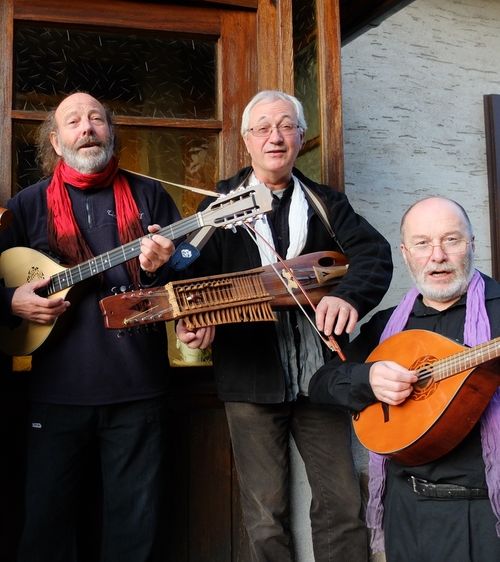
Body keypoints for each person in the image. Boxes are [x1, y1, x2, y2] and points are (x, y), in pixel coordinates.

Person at [176, 90, 393, 561]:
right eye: (263, 128)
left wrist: (346, 295)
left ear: (299, 137)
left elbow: (374, 256)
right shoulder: (216, 207)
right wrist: (191, 323)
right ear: (247, 141)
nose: (275, 137)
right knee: (265, 512)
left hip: (321, 379)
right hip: (249, 377)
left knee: (342, 503)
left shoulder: (326, 202)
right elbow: (187, 278)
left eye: (286, 126)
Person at [0, 92, 181, 562]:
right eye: (73, 121)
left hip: (139, 389)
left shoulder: (149, 195)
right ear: (56, 142)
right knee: (46, 528)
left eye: (96, 118)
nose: (87, 127)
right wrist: (10, 300)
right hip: (54, 393)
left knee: (136, 531)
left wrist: (158, 268)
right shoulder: (27, 205)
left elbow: (187, 275)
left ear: (110, 132)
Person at [309, 196, 500, 561]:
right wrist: (368, 379)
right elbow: (322, 382)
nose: (437, 255)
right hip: (405, 512)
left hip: (486, 515)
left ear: (472, 244)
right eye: (422, 243)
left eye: (451, 240)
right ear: (405, 253)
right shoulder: (389, 326)